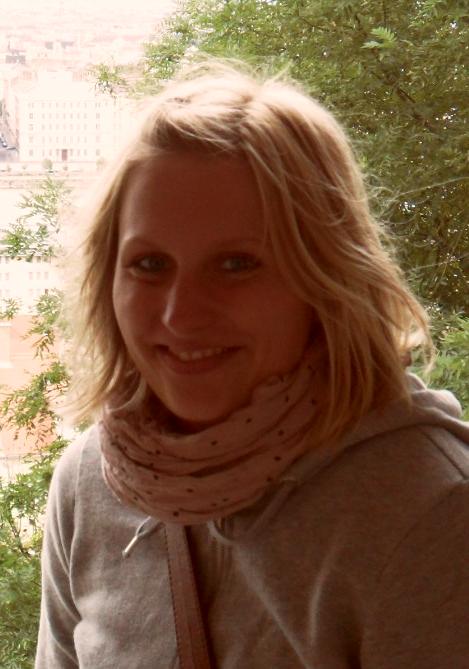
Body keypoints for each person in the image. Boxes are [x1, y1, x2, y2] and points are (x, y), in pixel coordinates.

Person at [35, 61, 469, 668]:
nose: (181, 315)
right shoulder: (90, 484)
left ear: (325, 279)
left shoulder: (430, 516)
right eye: (149, 265)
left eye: (236, 265)